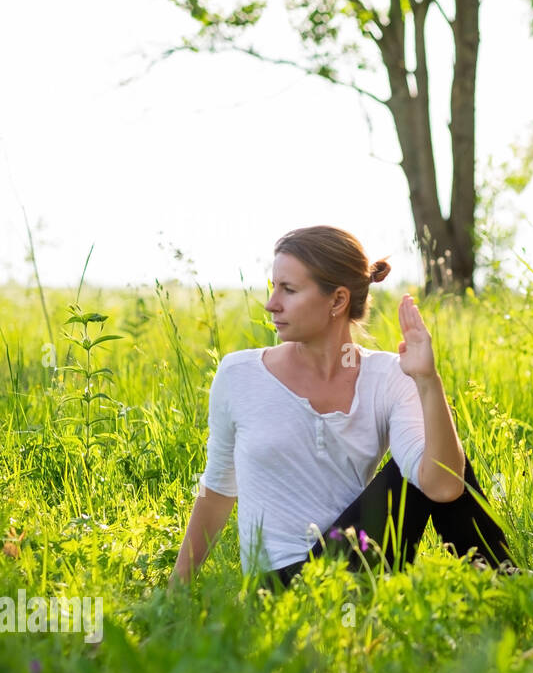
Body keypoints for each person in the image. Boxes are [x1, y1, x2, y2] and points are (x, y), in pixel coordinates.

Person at [169, 225, 511, 591]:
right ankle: (506, 588)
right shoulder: (239, 375)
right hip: (279, 589)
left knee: (442, 460)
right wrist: (175, 592)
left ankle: (506, 595)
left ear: (337, 301)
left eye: (289, 290)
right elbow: (218, 489)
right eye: (274, 287)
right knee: (437, 459)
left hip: (355, 567)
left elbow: (443, 487)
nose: (272, 304)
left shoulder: (390, 376)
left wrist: (428, 381)